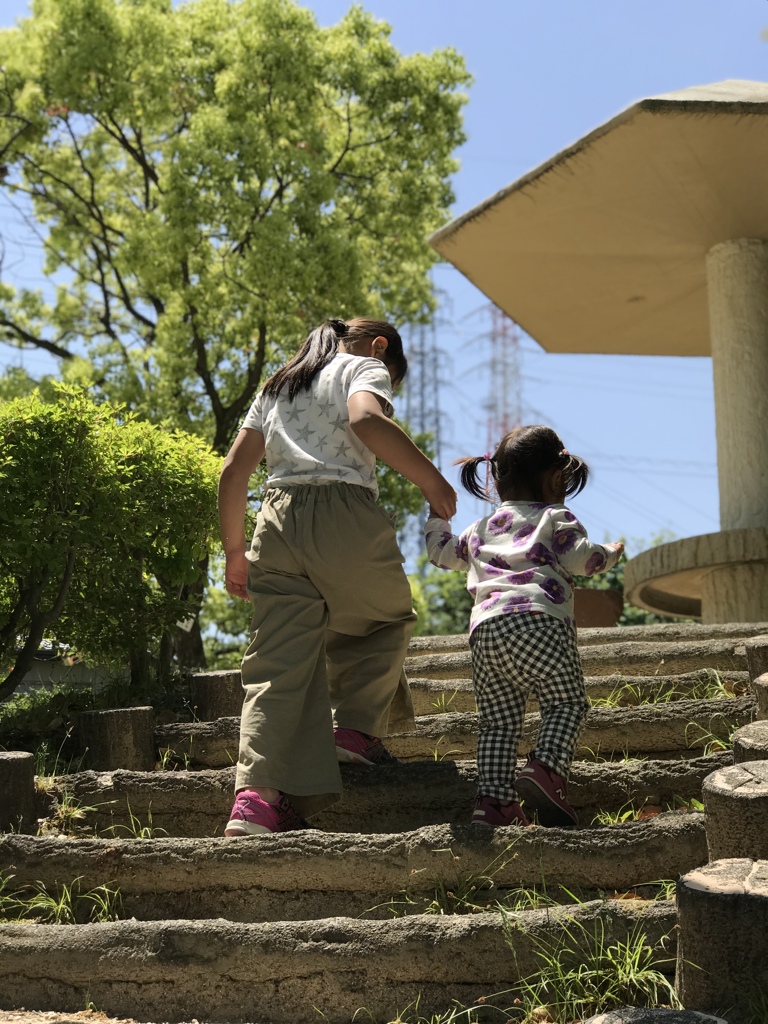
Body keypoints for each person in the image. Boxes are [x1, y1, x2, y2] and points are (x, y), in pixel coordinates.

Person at [219, 317, 457, 835]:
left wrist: (235, 552)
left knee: (275, 665)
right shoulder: (363, 366)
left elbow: (234, 471)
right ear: (378, 347)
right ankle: (351, 731)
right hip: (344, 512)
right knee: (385, 620)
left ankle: (255, 800)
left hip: (275, 521)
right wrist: (432, 482)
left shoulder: (278, 384)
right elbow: (367, 422)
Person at [424, 425, 623, 828]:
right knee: (566, 703)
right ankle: (547, 769)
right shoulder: (554, 517)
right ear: (556, 478)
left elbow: (440, 553)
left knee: (498, 723)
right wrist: (612, 553)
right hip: (539, 623)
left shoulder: (479, 531)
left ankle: (495, 804)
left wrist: (436, 520)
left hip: (486, 635)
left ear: (496, 481)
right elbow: (582, 561)